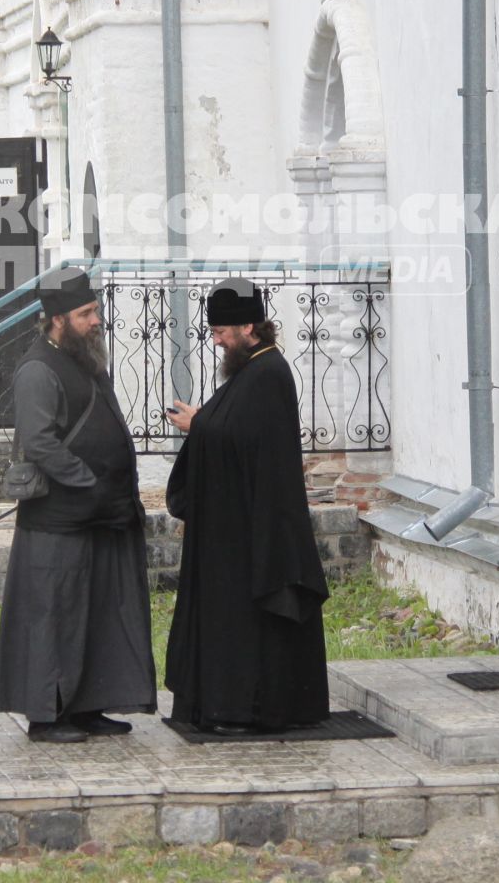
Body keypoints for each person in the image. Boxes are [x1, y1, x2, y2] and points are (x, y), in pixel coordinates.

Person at [0, 265, 156, 742]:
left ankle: (88, 706)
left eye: (96, 310)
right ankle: (48, 715)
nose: (96, 320)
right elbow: (40, 443)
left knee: (101, 612)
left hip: (104, 516)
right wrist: (87, 482)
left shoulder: (85, 359)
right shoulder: (38, 368)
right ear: (57, 319)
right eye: (86, 313)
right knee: (55, 613)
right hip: (60, 520)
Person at [163, 276, 330, 733]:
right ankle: (225, 705)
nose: (216, 340)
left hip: (256, 530)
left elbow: (248, 441)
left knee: (248, 626)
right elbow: (237, 432)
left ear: (249, 327)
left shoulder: (268, 373)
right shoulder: (252, 371)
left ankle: (244, 709)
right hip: (234, 524)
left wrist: (200, 423)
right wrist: (206, 422)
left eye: (221, 332)